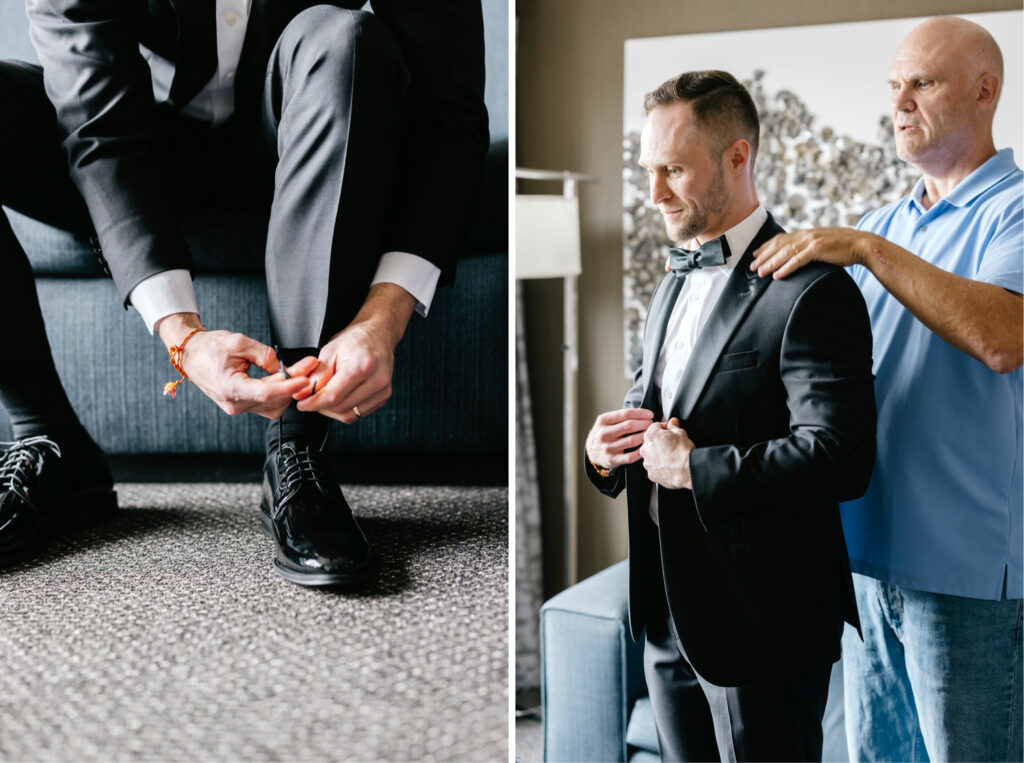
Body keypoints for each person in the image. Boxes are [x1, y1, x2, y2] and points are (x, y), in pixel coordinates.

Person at [0, 1, 488, 587]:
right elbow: (97, 123)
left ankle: (298, 448)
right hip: (139, 140)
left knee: (345, 38)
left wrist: (383, 316)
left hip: (308, 129)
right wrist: (182, 336)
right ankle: (51, 446)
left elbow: (446, 112)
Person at [750, 15, 1023, 762]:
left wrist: (867, 250)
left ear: (983, 90)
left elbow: (1002, 338)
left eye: (922, 83)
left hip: (964, 578)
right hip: (864, 563)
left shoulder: (1014, 211)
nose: (899, 102)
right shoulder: (884, 220)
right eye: (894, 85)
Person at [584, 70, 876, 761]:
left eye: (675, 170)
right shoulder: (670, 284)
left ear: (737, 157)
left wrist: (694, 467)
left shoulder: (814, 291)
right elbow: (647, 406)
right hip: (665, 613)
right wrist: (604, 449)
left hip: (762, 624)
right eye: (649, 169)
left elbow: (841, 454)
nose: (653, 194)